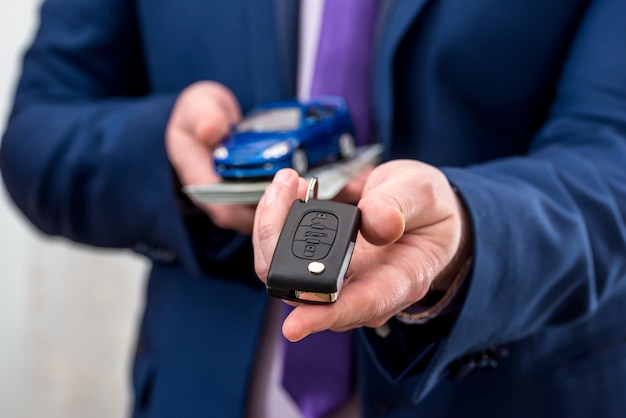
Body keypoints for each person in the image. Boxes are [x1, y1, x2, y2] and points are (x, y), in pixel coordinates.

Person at [2, 0, 626, 417]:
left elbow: (611, 152)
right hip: (201, 385)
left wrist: (470, 233)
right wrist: (173, 161)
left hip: (507, 391)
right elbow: (36, 132)